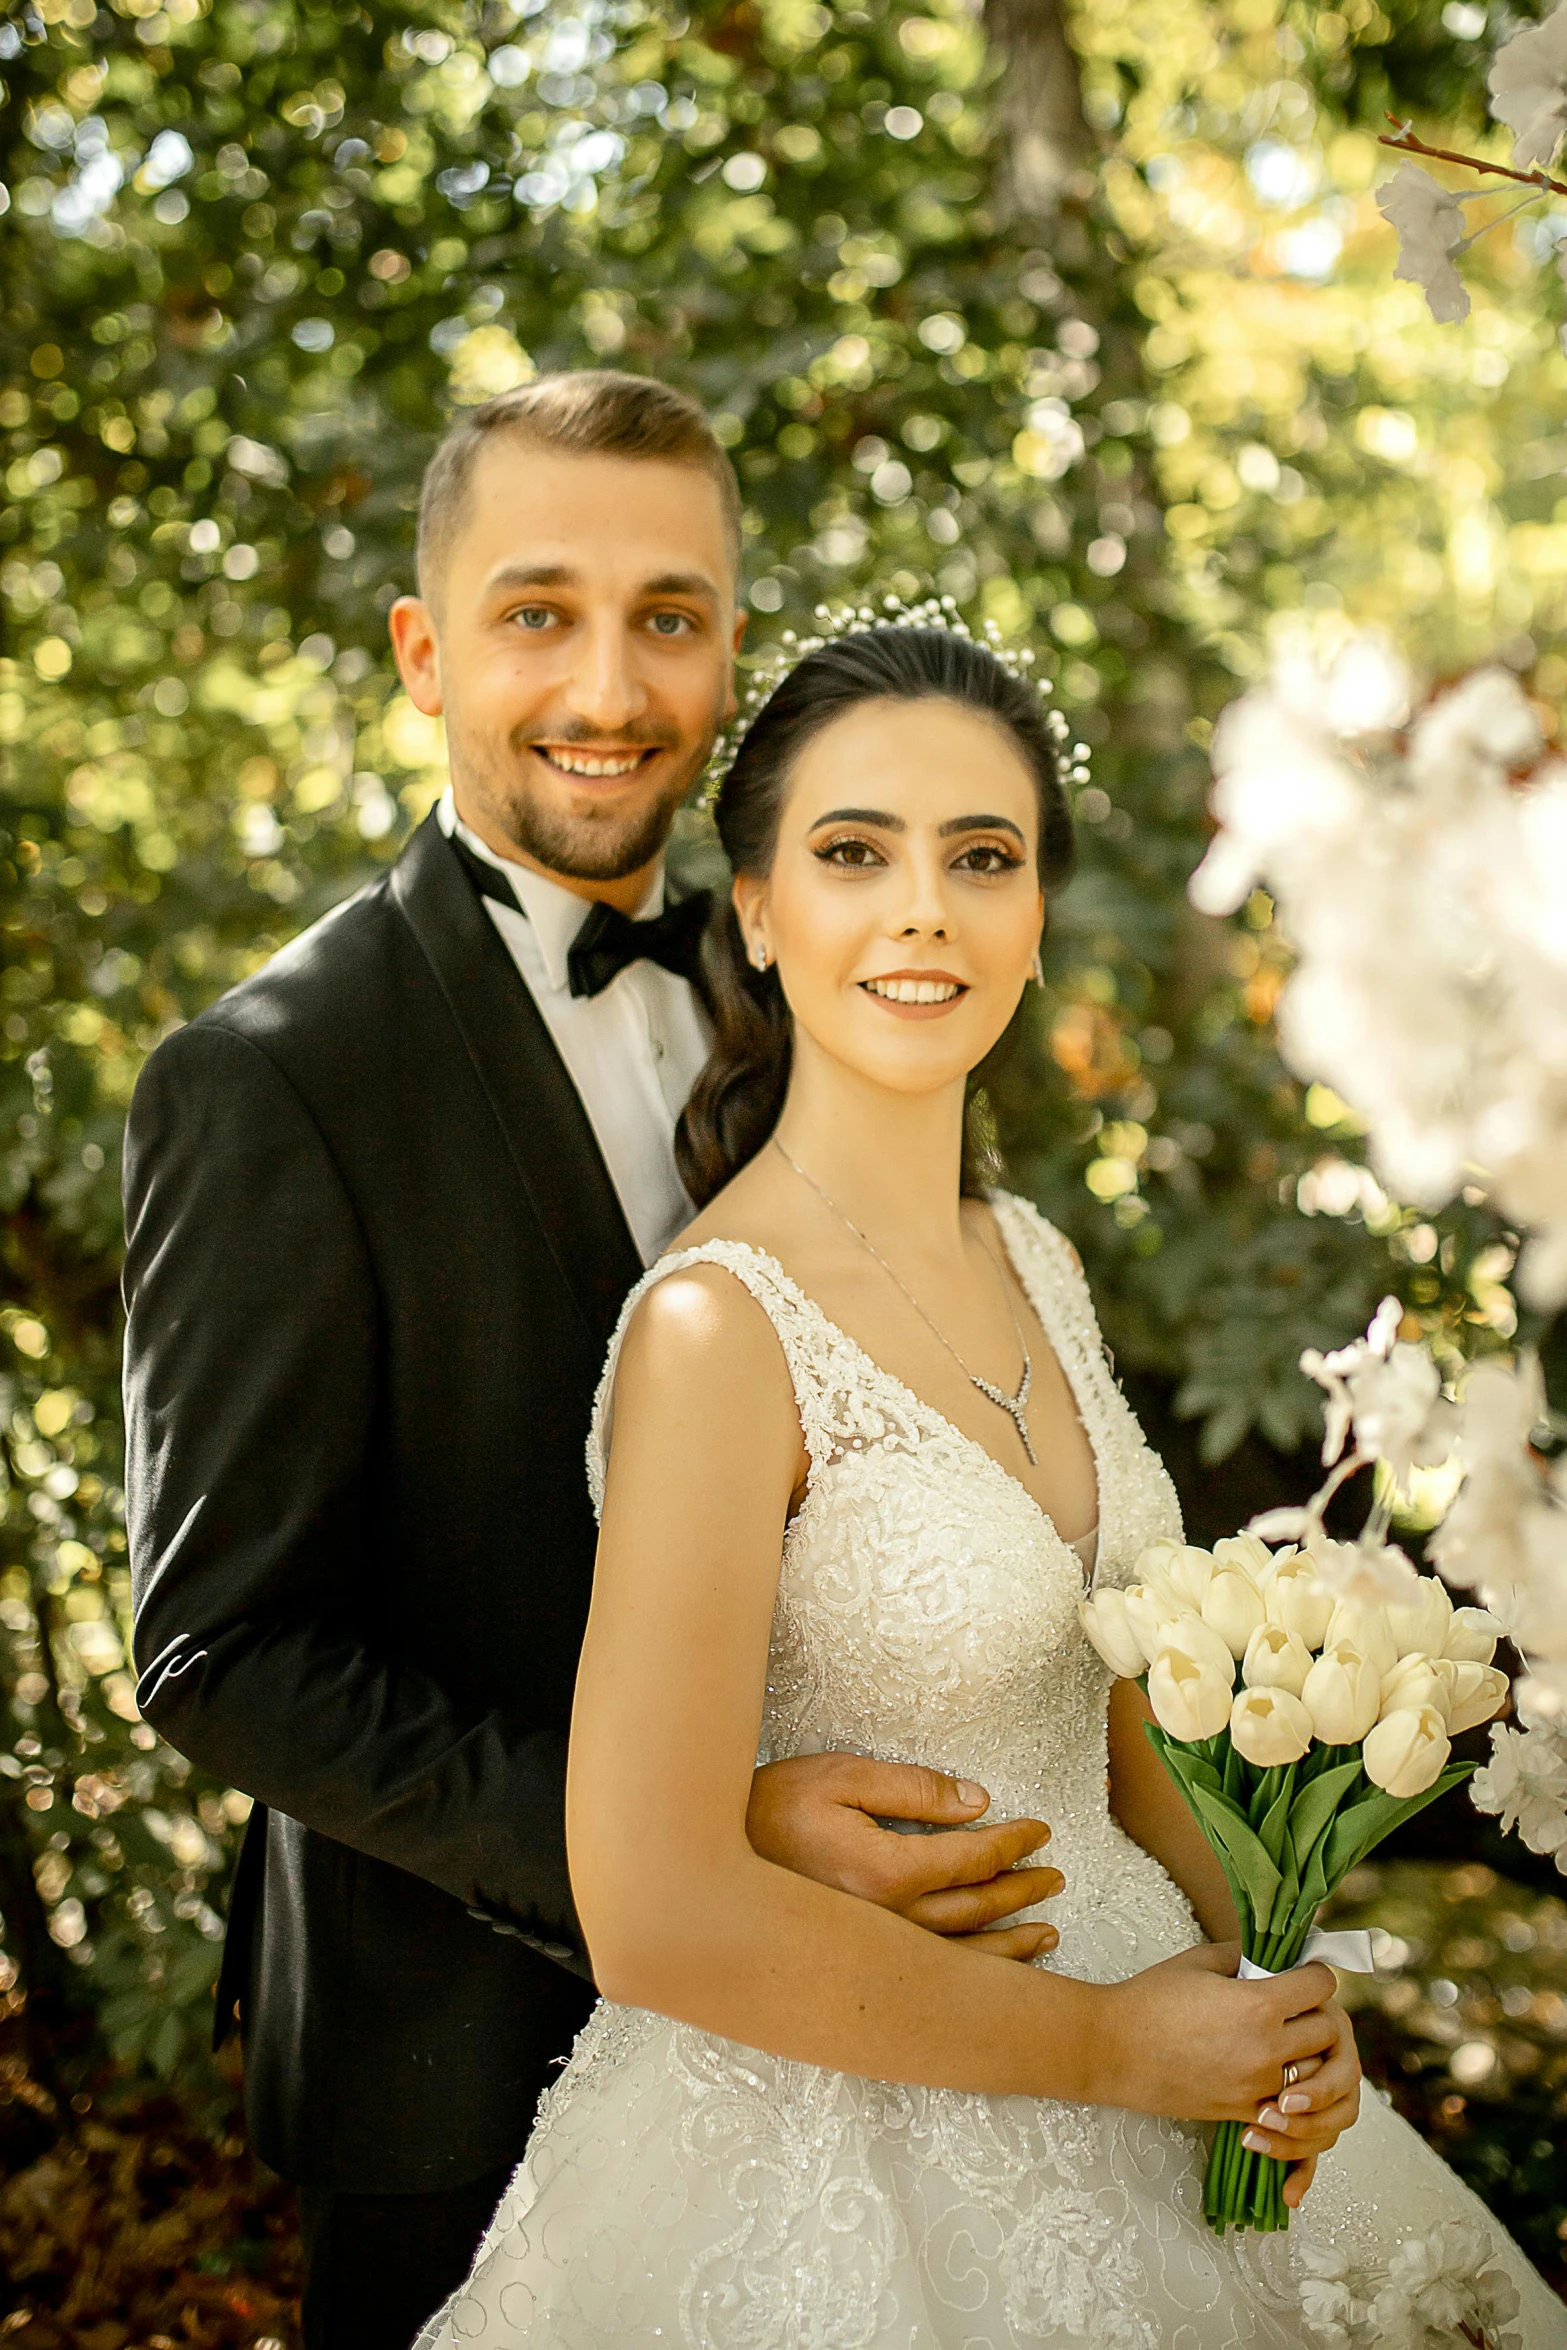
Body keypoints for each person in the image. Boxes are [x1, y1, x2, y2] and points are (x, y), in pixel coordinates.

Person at [416, 620, 1567, 2347]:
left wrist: (1267, 1986)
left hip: (1170, 2073)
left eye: (981, 857)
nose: (921, 911)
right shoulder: (715, 1331)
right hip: (851, 2144)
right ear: (752, 908)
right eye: (852, 853)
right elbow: (649, 1905)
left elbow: (1119, 1725)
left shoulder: (1029, 1251)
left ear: (1034, 920)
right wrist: (1107, 2047)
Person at [121, 374, 1068, 2350]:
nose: (610, 683)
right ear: (424, 648)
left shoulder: (818, 969)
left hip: (858, 2045)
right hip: (458, 2068)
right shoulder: (271, 1078)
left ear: (733, 641)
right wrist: (691, 1832)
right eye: (539, 610)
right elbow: (223, 1649)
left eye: (671, 614)